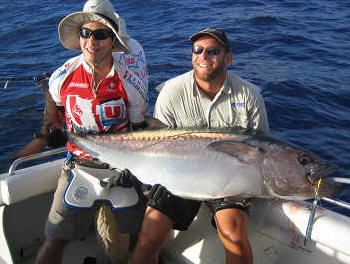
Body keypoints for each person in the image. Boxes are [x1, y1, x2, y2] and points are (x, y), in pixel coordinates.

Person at [131, 28, 269, 264]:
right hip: (180, 176)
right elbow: (158, 145)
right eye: (198, 50)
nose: (203, 56)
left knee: (236, 241)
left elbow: (262, 151)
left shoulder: (249, 95)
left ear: (228, 58)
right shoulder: (171, 91)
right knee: (147, 241)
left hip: (229, 181)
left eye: (213, 51)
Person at [26, 0, 149, 263]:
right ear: (79, 36)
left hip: (119, 170)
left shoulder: (130, 83)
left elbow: (139, 129)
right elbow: (56, 109)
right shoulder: (62, 76)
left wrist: (134, 168)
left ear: (113, 41)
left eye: (101, 34)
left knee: (119, 249)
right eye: (86, 33)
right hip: (76, 167)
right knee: (53, 242)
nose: (92, 41)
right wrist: (53, 130)